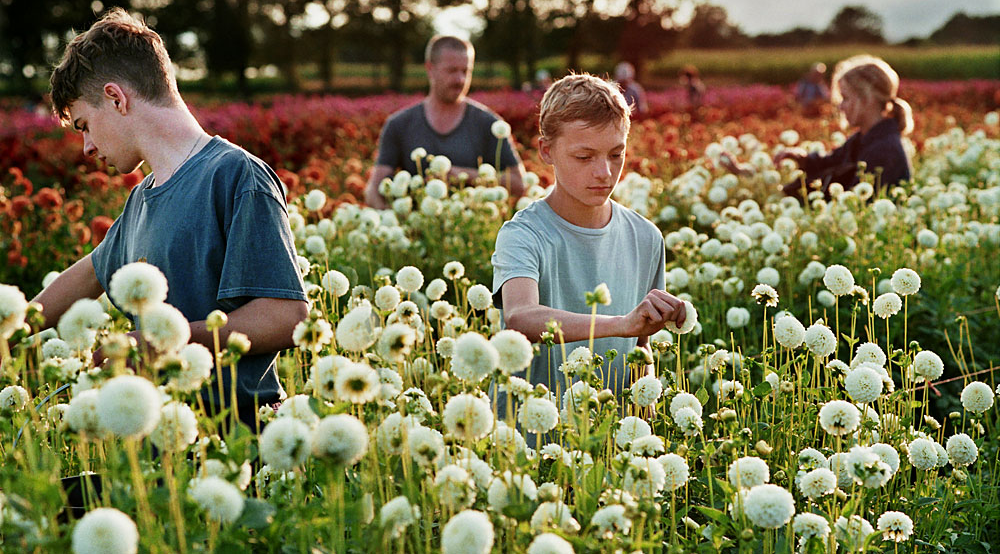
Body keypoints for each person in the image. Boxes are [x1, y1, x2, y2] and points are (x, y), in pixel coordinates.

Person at [32, 8, 308, 428]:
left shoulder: (235, 175)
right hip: (162, 441)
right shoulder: (142, 199)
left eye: (85, 125)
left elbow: (285, 317)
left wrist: (162, 342)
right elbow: (88, 273)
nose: (87, 147)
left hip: (238, 439)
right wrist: (8, 331)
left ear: (116, 97)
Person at [491, 73, 686, 400]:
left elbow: (641, 347)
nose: (604, 173)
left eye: (615, 154)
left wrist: (645, 412)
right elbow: (520, 317)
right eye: (584, 157)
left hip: (611, 440)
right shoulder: (523, 234)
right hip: (530, 437)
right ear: (546, 150)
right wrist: (622, 323)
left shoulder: (646, 237)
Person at [365, 35, 526, 208]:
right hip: (417, 230)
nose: (460, 80)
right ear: (430, 69)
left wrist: (463, 175)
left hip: (471, 228)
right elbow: (374, 189)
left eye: (466, 71)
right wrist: (392, 219)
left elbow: (518, 183)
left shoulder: (489, 124)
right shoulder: (399, 124)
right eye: (452, 70)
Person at [723, 54, 912, 199]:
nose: (840, 106)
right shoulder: (864, 140)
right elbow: (829, 164)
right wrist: (799, 158)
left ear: (867, 99)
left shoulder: (884, 150)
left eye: (845, 98)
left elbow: (857, 206)